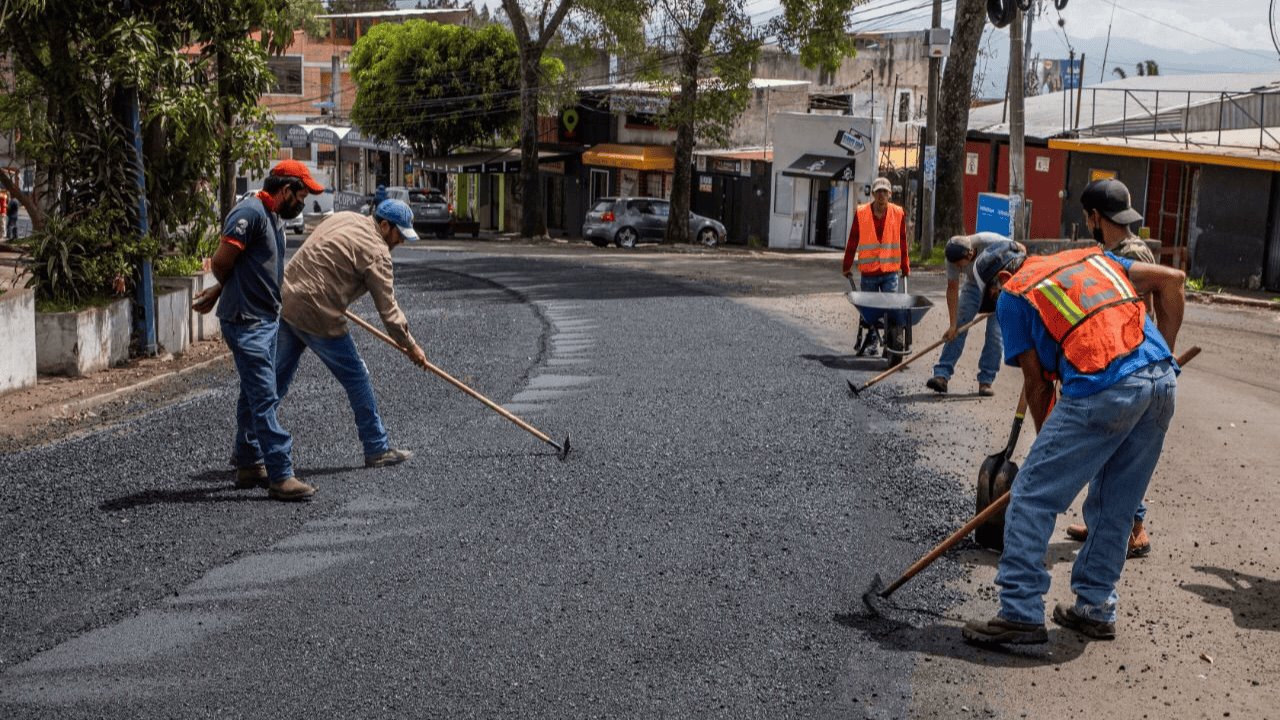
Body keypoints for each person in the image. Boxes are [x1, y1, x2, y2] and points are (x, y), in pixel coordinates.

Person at [961, 238, 1185, 646]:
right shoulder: (1090, 256)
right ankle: (1095, 608)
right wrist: (1161, 358)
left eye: (990, 296)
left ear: (1003, 279)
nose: (996, 306)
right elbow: (1173, 281)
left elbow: (1037, 385)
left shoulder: (1014, 293)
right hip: (1160, 382)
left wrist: (1045, 459)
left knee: (1030, 495)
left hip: (1104, 382)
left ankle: (1020, 612)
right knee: (1116, 503)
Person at [193, 160, 324, 502]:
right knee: (265, 396)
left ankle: (249, 462)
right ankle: (281, 474)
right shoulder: (249, 213)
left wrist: (220, 290)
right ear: (285, 190)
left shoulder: (272, 218)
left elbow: (247, 266)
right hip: (246, 321)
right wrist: (223, 288)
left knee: (252, 394)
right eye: (302, 194)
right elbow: (222, 262)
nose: (304, 201)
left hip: (264, 320)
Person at [275, 199, 427, 468]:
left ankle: (247, 451)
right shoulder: (378, 252)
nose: (400, 242)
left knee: (274, 379)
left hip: (289, 298)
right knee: (357, 376)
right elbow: (389, 312)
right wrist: (411, 347)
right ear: (384, 225)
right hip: (317, 310)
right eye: (399, 234)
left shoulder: (346, 218)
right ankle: (377, 447)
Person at [1062, 178, 1158, 558]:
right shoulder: (1116, 249)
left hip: (1128, 364)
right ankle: (1103, 519)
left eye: (1088, 216)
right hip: (1117, 362)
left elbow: (1161, 298)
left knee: (1122, 452)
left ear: (1096, 217)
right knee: (1108, 449)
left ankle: (1134, 528)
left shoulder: (1130, 255)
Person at [927, 233, 1022, 396]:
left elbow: (1021, 250)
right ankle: (941, 375)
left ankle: (986, 380)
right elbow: (952, 289)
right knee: (959, 326)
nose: (957, 268)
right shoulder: (952, 257)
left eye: (959, 264)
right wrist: (952, 325)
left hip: (999, 286)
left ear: (970, 254)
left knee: (995, 334)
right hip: (973, 285)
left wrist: (1008, 287)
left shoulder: (990, 241)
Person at [842, 177, 910, 356]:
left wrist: (905, 266)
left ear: (890, 194)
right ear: (873, 194)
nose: (881, 195)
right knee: (870, 311)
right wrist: (846, 265)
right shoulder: (862, 213)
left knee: (891, 309)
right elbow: (853, 240)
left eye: (884, 192)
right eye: (878, 191)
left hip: (890, 271)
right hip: (869, 271)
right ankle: (872, 342)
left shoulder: (897, 213)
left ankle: (891, 341)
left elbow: (903, 241)